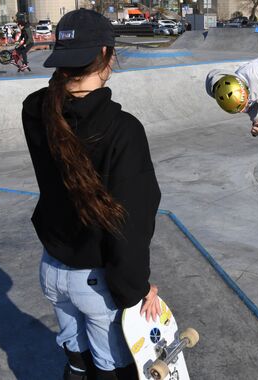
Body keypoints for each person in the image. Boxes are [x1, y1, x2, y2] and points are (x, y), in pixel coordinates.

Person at [22, 9, 162, 380]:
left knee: (75, 360)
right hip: (94, 282)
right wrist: (137, 290)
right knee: (110, 367)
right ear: (107, 54)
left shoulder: (35, 110)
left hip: (52, 268)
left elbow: (56, 100)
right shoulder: (123, 131)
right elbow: (129, 226)